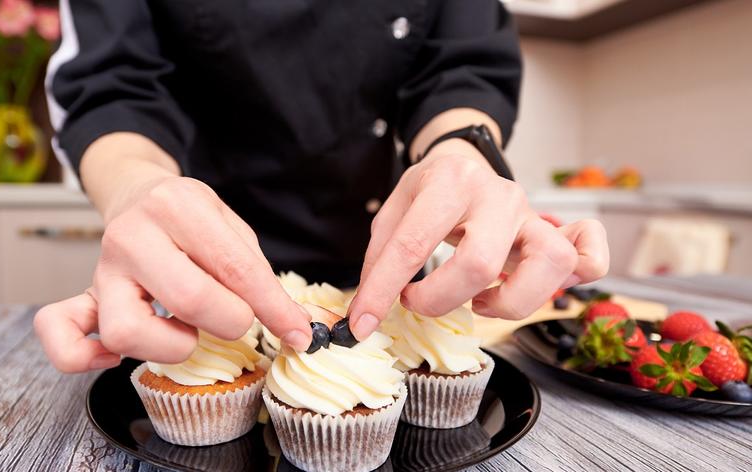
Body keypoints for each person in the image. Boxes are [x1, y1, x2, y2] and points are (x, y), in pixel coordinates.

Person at [34, 0, 609, 373]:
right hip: (199, 288)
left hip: (384, 278)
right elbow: (111, 87)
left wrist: (462, 156)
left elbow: (462, 69)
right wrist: (137, 190)